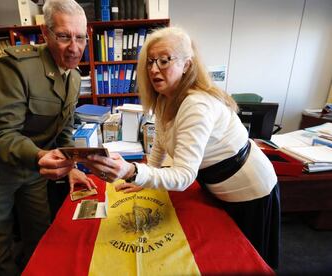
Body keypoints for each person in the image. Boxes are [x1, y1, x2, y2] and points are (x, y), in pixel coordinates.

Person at [83, 26, 280, 268]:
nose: (154, 69)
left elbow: (184, 176)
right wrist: (141, 179)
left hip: (249, 190)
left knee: (246, 262)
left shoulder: (195, 105)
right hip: (218, 183)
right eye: (150, 62)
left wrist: (133, 172)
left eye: (164, 61)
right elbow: (160, 144)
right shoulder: (167, 98)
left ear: (187, 64)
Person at [0, 0, 96, 275]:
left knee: (39, 229)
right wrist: (40, 156)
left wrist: (69, 166)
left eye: (80, 37)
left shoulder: (74, 77)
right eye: (63, 36)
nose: (74, 47)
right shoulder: (16, 66)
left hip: (36, 160)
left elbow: (65, 129)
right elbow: (3, 135)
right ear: (45, 34)